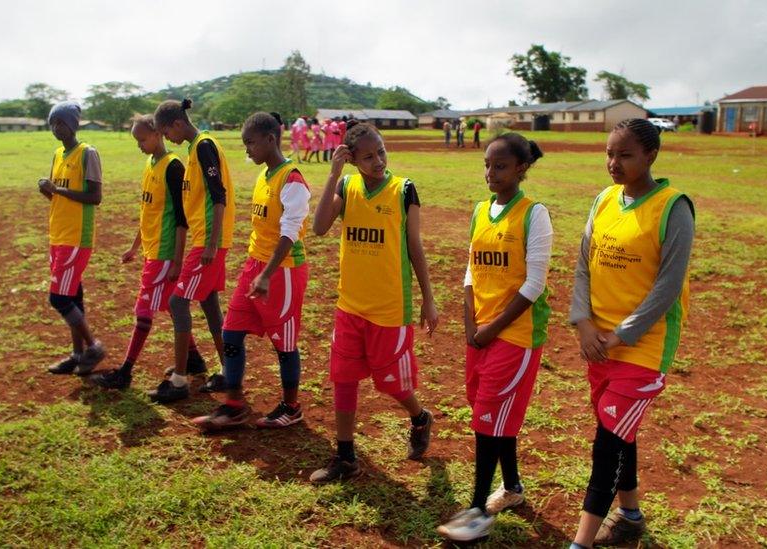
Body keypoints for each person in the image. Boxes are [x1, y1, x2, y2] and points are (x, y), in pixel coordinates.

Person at [568, 119, 694, 549]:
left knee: (606, 443)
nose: (613, 163)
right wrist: (583, 322)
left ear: (651, 156)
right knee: (619, 430)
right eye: (609, 153)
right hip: (598, 342)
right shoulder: (604, 199)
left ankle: (581, 542)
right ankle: (631, 516)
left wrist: (621, 335)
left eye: (624, 155)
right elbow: (585, 261)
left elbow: (668, 286)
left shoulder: (673, 206)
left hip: (642, 346)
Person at [308, 120, 439, 483]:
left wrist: (428, 299)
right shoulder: (347, 186)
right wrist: (333, 174)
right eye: (367, 157)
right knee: (344, 378)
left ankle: (419, 416)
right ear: (351, 159)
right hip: (350, 305)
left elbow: (415, 247)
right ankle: (346, 456)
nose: (378, 161)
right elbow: (318, 227)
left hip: (390, 308)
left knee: (391, 383)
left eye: (380, 151)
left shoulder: (403, 190)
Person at [436, 133, 552, 542]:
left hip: (515, 336)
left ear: (521, 168)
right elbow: (471, 272)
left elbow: (535, 283)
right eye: (487, 164)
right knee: (493, 416)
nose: (491, 172)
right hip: (481, 333)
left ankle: (477, 510)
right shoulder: (480, 211)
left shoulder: (534, 214)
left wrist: (492, 329)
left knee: (487, 420)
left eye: (500, 166)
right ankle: (513, 488)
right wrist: (471, 326)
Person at [193, 112, 311, 431]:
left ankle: (292, 406)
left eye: (250, 142)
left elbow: (289, 232)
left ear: (270, 139)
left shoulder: (292, 179)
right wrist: (255, 270)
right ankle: (233, 406)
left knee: (284, 343)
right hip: (255, 266)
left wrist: (267, 274)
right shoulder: (264, 175)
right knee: (231, 332)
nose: (247, 149)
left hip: (282, 271)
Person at [90, 115, 200, 392]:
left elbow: (181, 219)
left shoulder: (173, 167)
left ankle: (125, 372)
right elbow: (147, 212)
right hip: (152, 250)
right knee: (172, 308)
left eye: (142, 139)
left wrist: (176, 260)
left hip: (164, 253)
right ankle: (195, 360)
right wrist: (134, 246)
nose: (139, 145)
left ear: (157, 134)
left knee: (143, 311)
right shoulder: (150, 164)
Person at [145, 99, 234, 403]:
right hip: (205, 239)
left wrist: (211, 243)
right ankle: (229, 370)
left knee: (178, 302)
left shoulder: (203, 146)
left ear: (177, 125)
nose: (166, 138)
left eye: (165, 132)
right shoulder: (194, 148)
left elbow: (218, 195)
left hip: (207, 243)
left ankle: (180, 380)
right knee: (209, 304)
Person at [40, 101, 106, 377]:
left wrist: (58, 191)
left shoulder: (87, 154)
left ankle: (93, 347)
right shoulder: (58, 154)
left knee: (59, 298)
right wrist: (48, 191)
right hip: (59, 233)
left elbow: (95, 197)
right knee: (72, 295)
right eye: (53, 123)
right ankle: (78, 354)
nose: (57, 128)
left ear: (73, 125)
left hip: (76, 236)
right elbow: (59, 194)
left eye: (62, 123)